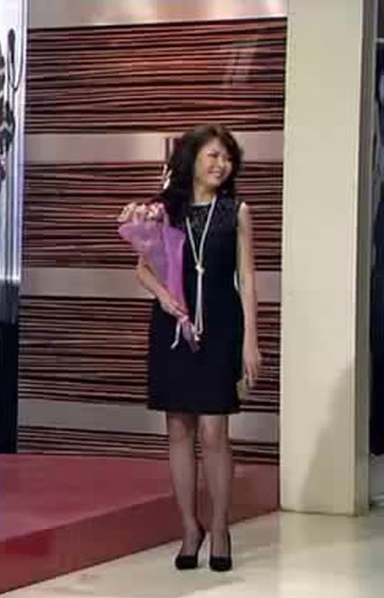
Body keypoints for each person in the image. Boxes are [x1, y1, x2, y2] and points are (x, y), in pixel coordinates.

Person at [120, 124, 262, 573]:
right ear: (193, 160)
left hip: (221, 327)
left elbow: (247, 279)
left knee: (214, 432)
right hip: (173, 327)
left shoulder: (236, 212)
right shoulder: (166, 211)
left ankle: (220, 527)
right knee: (178, 429)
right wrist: (166, 299)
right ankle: (189, 527)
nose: (222, 165)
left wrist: (252, 341)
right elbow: (143, 268)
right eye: (213, 156)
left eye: (228, 158)